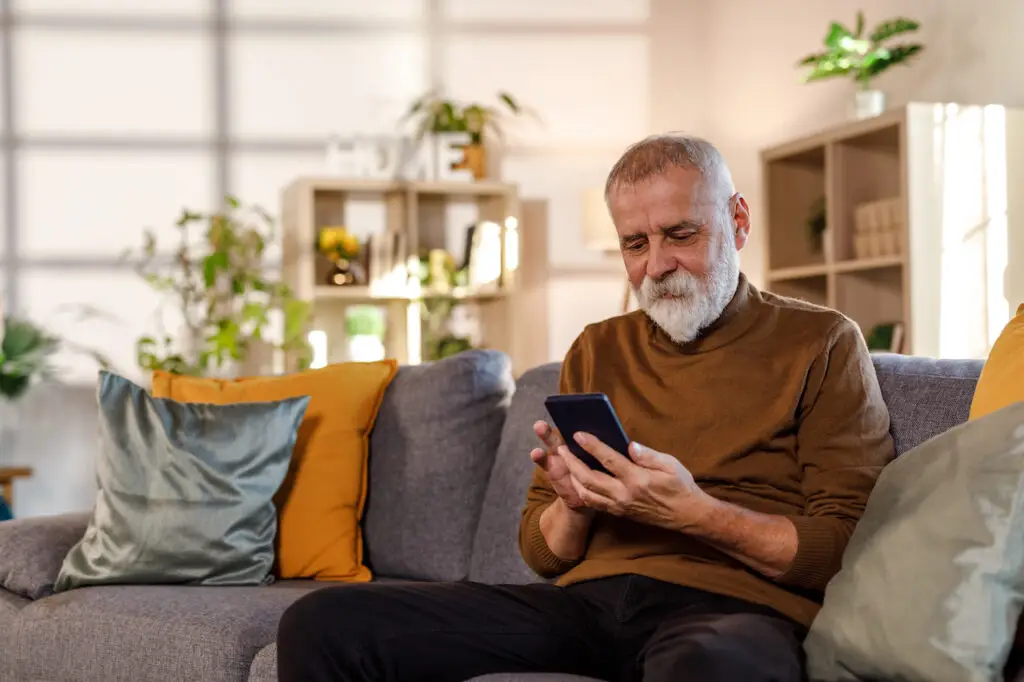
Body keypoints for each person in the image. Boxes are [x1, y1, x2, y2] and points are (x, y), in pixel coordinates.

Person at [276, 133, 896, 682]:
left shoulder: (821, 341)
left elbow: (846, 545)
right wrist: (573, 504)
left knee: (717, 665)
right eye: (635, 243)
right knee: (324, 621)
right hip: (586, 606)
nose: (657, 266)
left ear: (738, 221)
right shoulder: (599, 346)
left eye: (681, 235)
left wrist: (696, 514)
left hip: (728, 610)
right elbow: (543, 553)